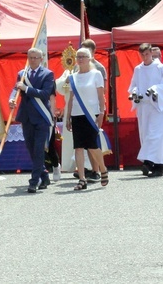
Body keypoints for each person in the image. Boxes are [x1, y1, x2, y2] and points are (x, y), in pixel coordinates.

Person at [8, 48, 55, 193]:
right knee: (30, 148)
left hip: (41, 117)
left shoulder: (48, 74)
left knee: (39, 149)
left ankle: (34, 182)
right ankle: (44, 175)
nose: (33, 60)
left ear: (41, 59)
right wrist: (12, 99)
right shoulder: (22, 74)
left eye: (36, 57)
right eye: (31, 57)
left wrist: (27, 89)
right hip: (26, 116)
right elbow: (16, 90)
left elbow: (46, 93)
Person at [128, 43, 163, 177]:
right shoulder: (138, 69)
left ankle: (151, 163)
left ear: (151, 53)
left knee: (155, 134)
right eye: (142, 55)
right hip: (144, 107)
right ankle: (153, 165)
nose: (145, 57)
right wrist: (135, 92)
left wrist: (155, 90)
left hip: (157, 106)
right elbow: (133, 85)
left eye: (147, 54)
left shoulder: (161, 68)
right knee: (145, 134)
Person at [65, 48, 109, 190]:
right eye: (78, 57)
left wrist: (102, 113)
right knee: (78, 147)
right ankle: (82, 179)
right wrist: (68, 117)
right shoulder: (73, 76)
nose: (80, 59)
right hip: (77, 115)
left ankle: (102, 169)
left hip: (91, 114)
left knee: (92, 145)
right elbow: (71, 98)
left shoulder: (96, 74)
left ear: (89, 59)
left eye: (83, 56)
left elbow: (101, 96)